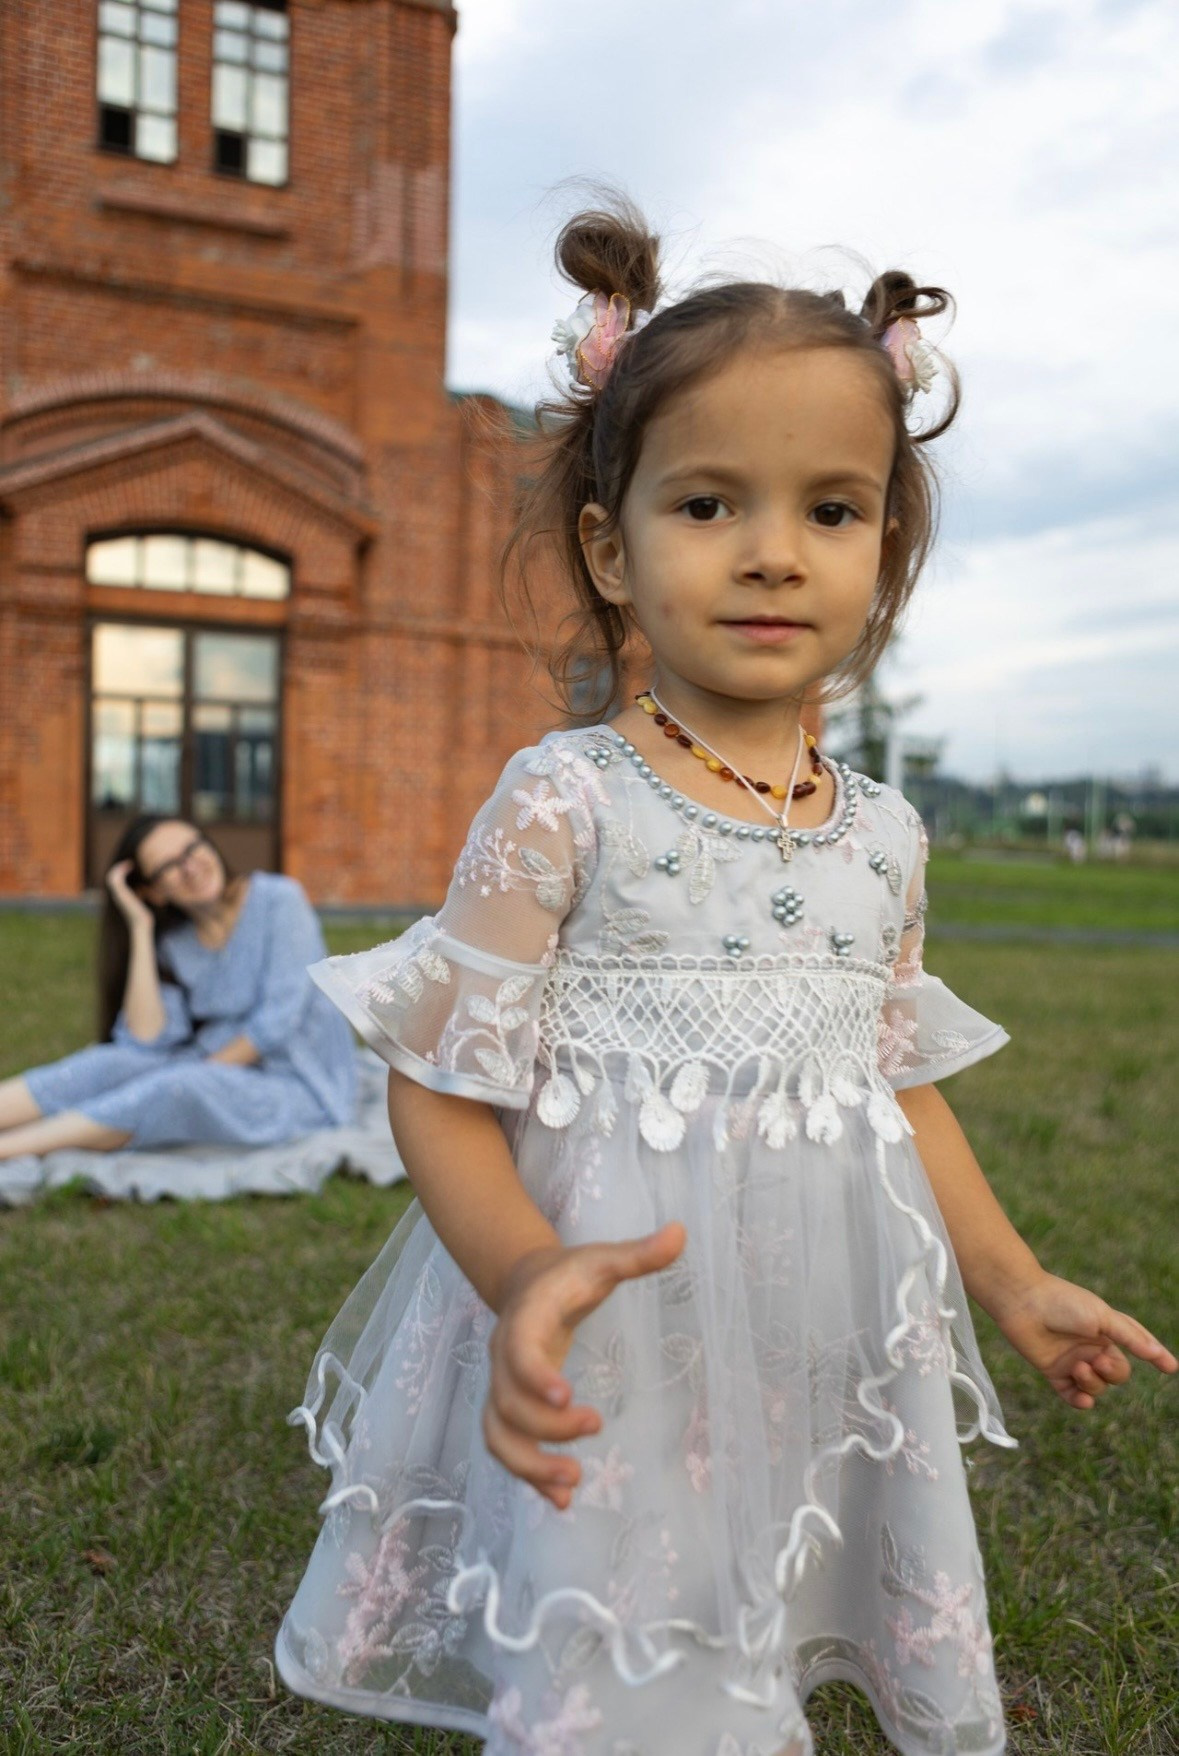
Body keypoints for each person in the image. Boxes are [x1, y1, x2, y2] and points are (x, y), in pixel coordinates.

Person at [275, 200, 1175, 1756]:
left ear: (882, 550)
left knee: (759, 1590)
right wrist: (520, 1274)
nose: (771, 552)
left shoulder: (885, 835)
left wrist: (1010, 1276)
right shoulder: (567, 798)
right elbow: (433, 1074)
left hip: (812, 1322)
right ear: (606, 549)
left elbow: (889, 1084)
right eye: (706, 504)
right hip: (617, 1312)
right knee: (628, 1637)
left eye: (831, 511)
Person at [0, 817, 356, 1161]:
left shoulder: (280, 899)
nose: (190, 866)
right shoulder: (174, 942)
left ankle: (11, 1149)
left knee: (176, 1087)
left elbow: (277, 1023)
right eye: (168, 865)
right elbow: (145, 1040)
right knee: (109, 1064)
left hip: (296, 1086)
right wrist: (140, 927)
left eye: (193, 847)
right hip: (208, 1064)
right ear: (153, 891)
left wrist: (194, 1072)